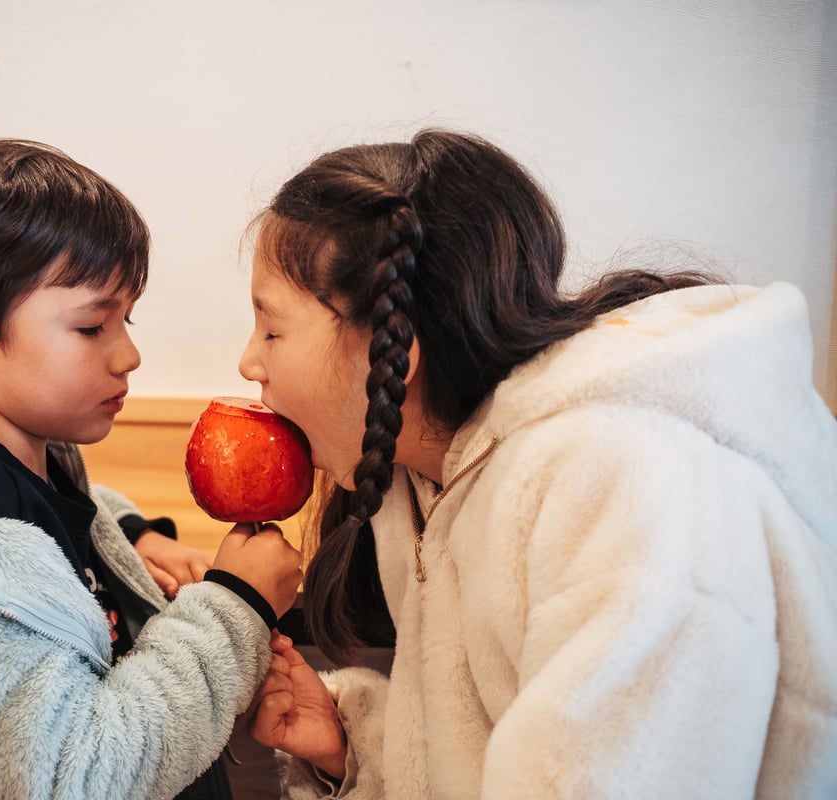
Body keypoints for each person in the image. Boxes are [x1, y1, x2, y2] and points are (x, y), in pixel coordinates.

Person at [239, 128, 837, 798]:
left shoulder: (620, 485)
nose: (249, 362)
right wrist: (350, 748)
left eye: (272, 329)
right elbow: (485, 746)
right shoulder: (425, 478)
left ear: (391, 351)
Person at [0, 138, 303, 800]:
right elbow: (78, 776)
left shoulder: (7, 458)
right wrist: (236, 607)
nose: (129, 355)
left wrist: (132, 534)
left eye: (126, 319)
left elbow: (64, 518)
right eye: (91, 327)